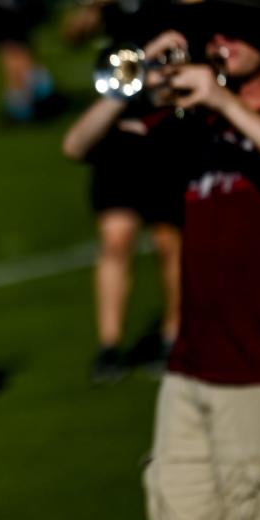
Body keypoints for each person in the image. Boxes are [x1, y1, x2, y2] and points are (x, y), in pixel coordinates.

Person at [136, 0, 260, 520]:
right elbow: (80, 146)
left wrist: (221, 100)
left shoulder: (233, 115)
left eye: (235, 32)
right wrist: (140, 79)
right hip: (192, 364)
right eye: (214, 35)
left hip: (256, 369)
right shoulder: (203, 121)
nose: (220, 44)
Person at [62, 33, 187, 382]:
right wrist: (138, 69)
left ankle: (172, 336)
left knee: (169, 241)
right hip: (121, 149)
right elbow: (73, 146)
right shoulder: (119, 105)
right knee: (116, 240)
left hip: (167, 148)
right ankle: (110, 346)